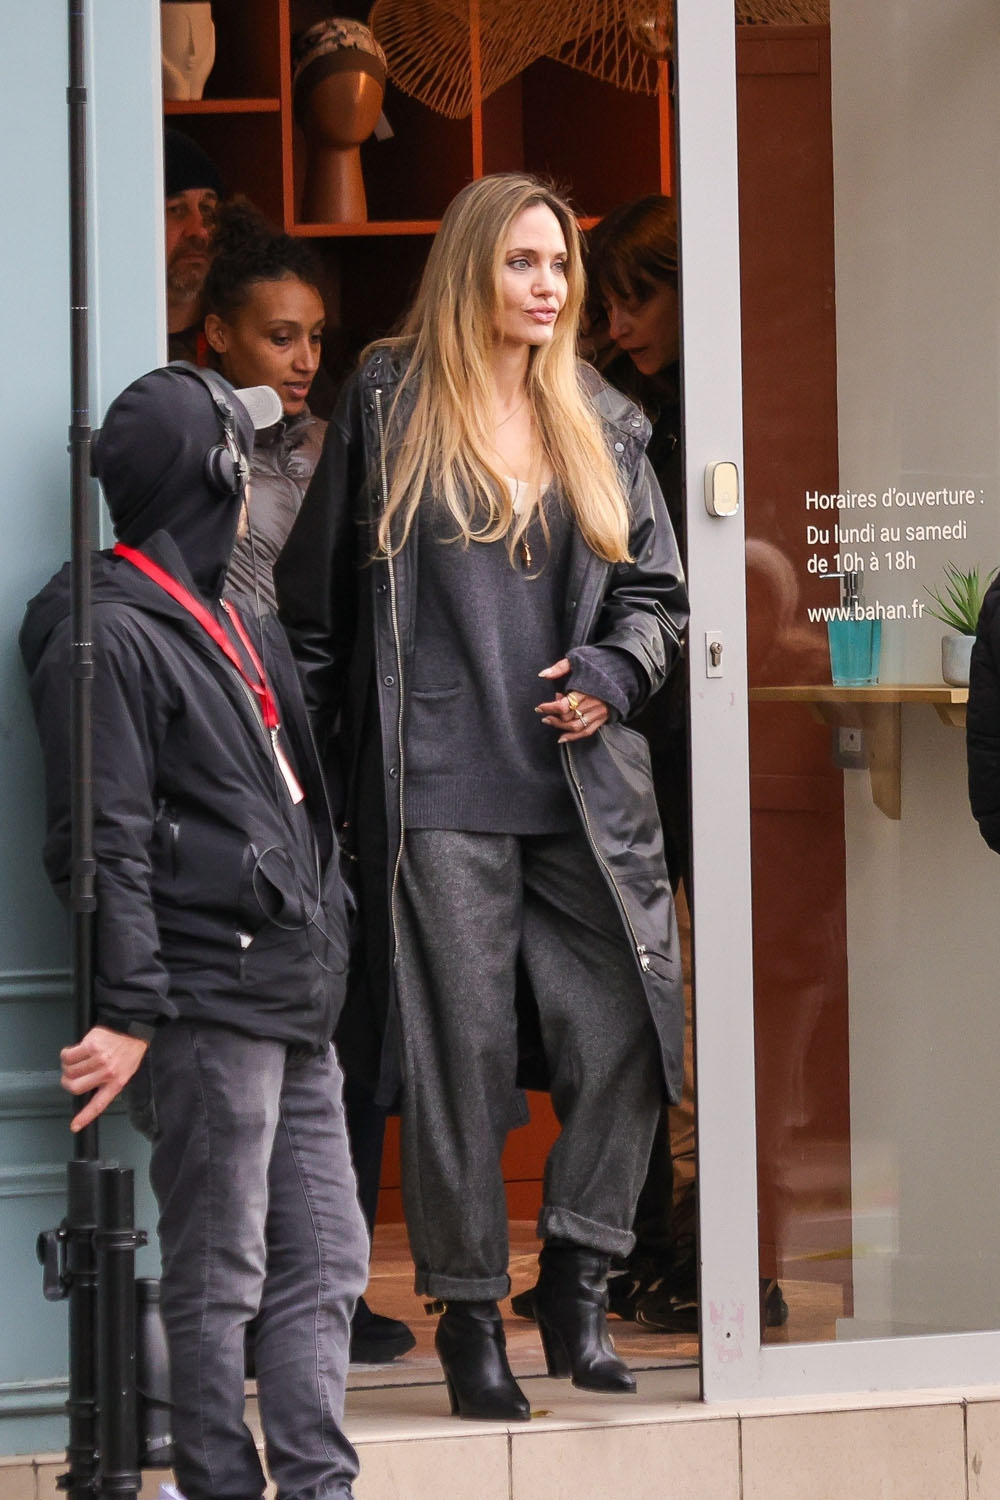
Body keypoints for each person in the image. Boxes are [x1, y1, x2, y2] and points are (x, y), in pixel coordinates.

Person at [274, 172, 688, 1421]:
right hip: (437, 792)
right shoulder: (389, 396)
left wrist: (612, 673)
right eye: (521, 261)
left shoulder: (605, 419)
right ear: (470, 268)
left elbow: (655, 596)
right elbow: (313, 615)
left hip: (579, 793)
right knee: (460, 1054)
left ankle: (577, 1272)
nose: (548, 285)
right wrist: (312, 794)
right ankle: (465, 1311)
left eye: (557, 262)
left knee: (628, 1028)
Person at [20, 365, 369, 1500]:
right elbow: (99, 839)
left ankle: (319, 1486)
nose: (261, 475)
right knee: (222, 1273)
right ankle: (220, 1485)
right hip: (210, 1002)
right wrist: (128, 1009)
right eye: (246, 456)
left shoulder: (233, 616)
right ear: (215, 474)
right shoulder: (107, 636)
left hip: (292, 992)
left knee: (329, 1259)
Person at [204, 198, 416, 1363]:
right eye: (278, 336)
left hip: (325, 769)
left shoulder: (339, 449)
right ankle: (250, 1297)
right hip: (226, 759)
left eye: (314, 338)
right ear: (218, 337)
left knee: (348, 1030)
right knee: (246, 1043)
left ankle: (336, 1286)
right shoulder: (190, 454)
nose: (300, 359)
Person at [165, 128, 222, 363]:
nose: (199, 231)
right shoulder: (104, 339)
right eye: (176, 209)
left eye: (207, 209)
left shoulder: (241, 338)